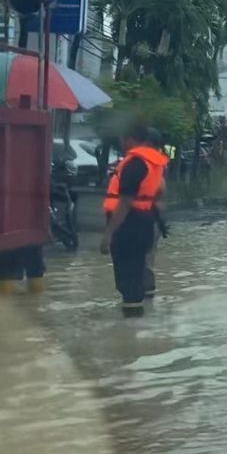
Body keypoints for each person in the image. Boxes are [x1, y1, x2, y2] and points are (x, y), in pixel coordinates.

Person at [101, 124, 169, 317]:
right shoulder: (153, 164)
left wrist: (108, 234)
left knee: (127, 281)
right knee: (136, 276)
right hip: (145, 223)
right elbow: (160, 194)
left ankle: (130, 329)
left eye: (123, 139)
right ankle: (137, 326)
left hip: (128, 226)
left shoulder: (134, 163)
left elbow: (124, 203)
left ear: (131, 139)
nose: (121, 143)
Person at [144, 128, 169, 300]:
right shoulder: (156, 163)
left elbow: (160, 188)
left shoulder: (149, 163)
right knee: (147, 261)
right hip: (151, 219)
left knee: (145, 261)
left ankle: (141, 304)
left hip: (147, 219)